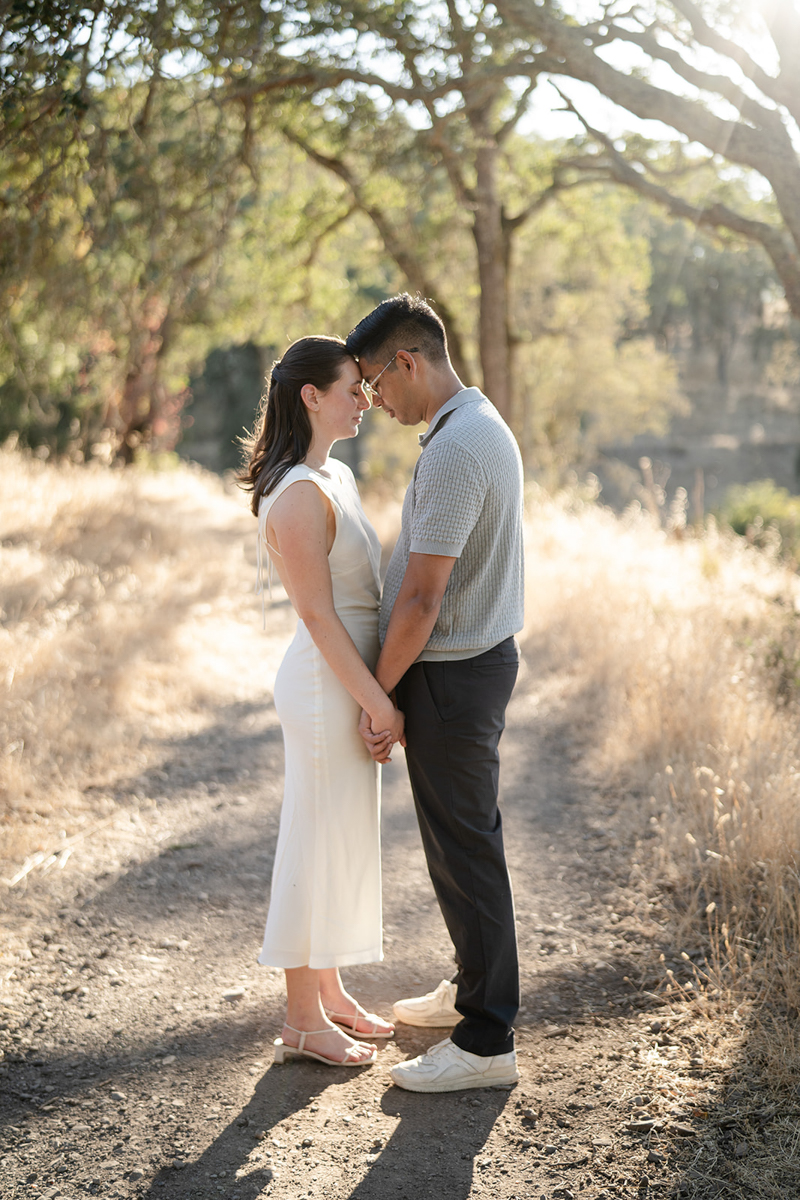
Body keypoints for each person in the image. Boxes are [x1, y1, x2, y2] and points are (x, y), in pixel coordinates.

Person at [345, 295, 525, 1092]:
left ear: (408, 363)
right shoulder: (469, 425)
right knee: (453, 846)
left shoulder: (458, 448)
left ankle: (488, 1042)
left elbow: (421, 601)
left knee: (468, 848)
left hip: (454, 674)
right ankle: (468, 990)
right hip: (456, 671)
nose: (374, 401)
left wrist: (376, 693)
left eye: (377, 384)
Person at [239, 335, 404, 1068]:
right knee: (313, 840)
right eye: (350, 389)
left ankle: (331, 994)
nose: (364, 399)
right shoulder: (299, 493)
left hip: (349, 682)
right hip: (323, 686)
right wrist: (378, 702)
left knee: (340, 839)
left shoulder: (331, 474)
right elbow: (318, 616)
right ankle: (301, 1021)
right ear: (312, 396)